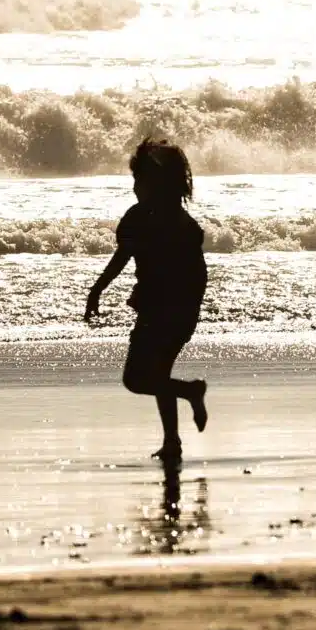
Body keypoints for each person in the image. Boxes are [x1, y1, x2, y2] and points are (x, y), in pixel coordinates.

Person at [86, 138, 210, 459]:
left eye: (138, 180)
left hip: (161, 312)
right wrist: (189, 307)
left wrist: (97, 290)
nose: (135, 188)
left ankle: (190, 392)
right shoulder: (183, 222)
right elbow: (199, 273)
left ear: (155, 181)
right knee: (158, 375)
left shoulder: (143, 218)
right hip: (180, 311)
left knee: (136, 379)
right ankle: (172, 441)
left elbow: (121, 259)